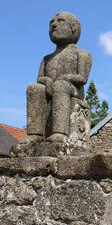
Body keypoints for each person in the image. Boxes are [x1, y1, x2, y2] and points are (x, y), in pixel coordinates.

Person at [26, 12, 92, 143]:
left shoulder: (82, 54)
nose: (54, 25)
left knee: (60, 85)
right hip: (52, 87)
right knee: (34, 88)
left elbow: (82, 78)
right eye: (51, 23)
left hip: (73, 90)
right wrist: (47, 80)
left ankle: (60, 133)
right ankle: (35, 134)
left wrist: (65, 77)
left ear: (73, 27)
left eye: (60, 21)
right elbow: (39, 78)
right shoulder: (46, 58)